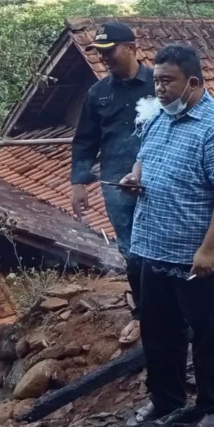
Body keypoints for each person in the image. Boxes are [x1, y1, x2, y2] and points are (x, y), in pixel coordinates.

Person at [121, 43, 214, 427]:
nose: (159, 89)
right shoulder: (160, 118)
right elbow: (145, 157)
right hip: (155, 246)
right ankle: (167, 400)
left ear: (193, 82)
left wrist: (209, 248)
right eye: (156, 80)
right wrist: (134, 176)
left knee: (210, 333)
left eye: (167, 81)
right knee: (159, 331)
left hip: (198, 255)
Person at [71, 21, 154, 346]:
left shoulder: (157, 84)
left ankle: (175, 308)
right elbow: (84, 141)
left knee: (165, 246)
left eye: (110, 51)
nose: (104, 58)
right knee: (132, 253)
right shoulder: (98, 93)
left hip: (159, 182)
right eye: (100, 53)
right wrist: (79, 182)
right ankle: (143, 315)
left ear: (132, 48)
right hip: (116, 187)